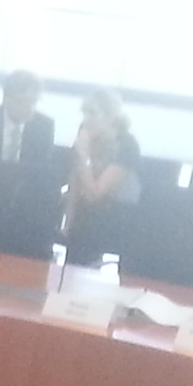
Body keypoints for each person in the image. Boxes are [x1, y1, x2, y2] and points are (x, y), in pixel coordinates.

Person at [65, 87, 143, 264]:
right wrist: (67, 221)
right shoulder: (85, 134)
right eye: (84, 113)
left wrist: (84, 155)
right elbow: (74, 181)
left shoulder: (127, 144)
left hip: (117, 212)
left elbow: (94, 194)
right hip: (88, 213)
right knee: (79, 225)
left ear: (110, 117)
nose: (86, 119)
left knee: (89, 225)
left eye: (92, 113)